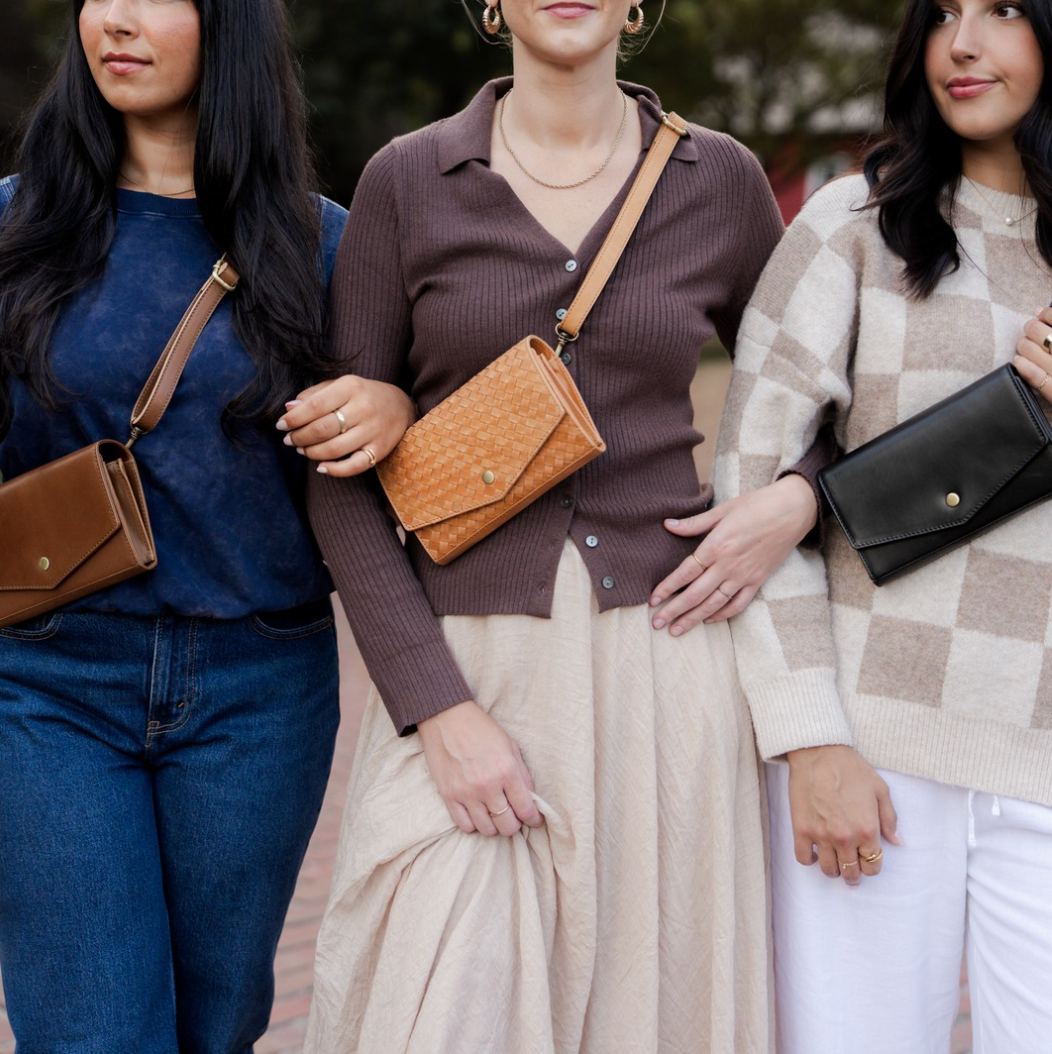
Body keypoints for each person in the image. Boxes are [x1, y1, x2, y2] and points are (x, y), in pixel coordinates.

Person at [291, 1, 831, 1050]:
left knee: (647, 1010)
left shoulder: (714, 179)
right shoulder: (406, 179)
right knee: (440, 1003)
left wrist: (794, 499)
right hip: (465, 669)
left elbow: (815, 406)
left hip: (669, 671)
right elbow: (337, 475)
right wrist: (433, 710)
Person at [0, 1, 412, 1049]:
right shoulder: (15, 225)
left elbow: (413, 440)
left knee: (218, 1022)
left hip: (258, 693)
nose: (118, 21)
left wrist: (393, 405)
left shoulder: (324, 247)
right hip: (47, 683)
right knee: (93, 1029)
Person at [715, 0, 1052, 1050]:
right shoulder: (848, 228)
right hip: (875, 753)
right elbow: (748, 488)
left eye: (1002, 11)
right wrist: (808, 737)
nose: (962, 43)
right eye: (942, 13)